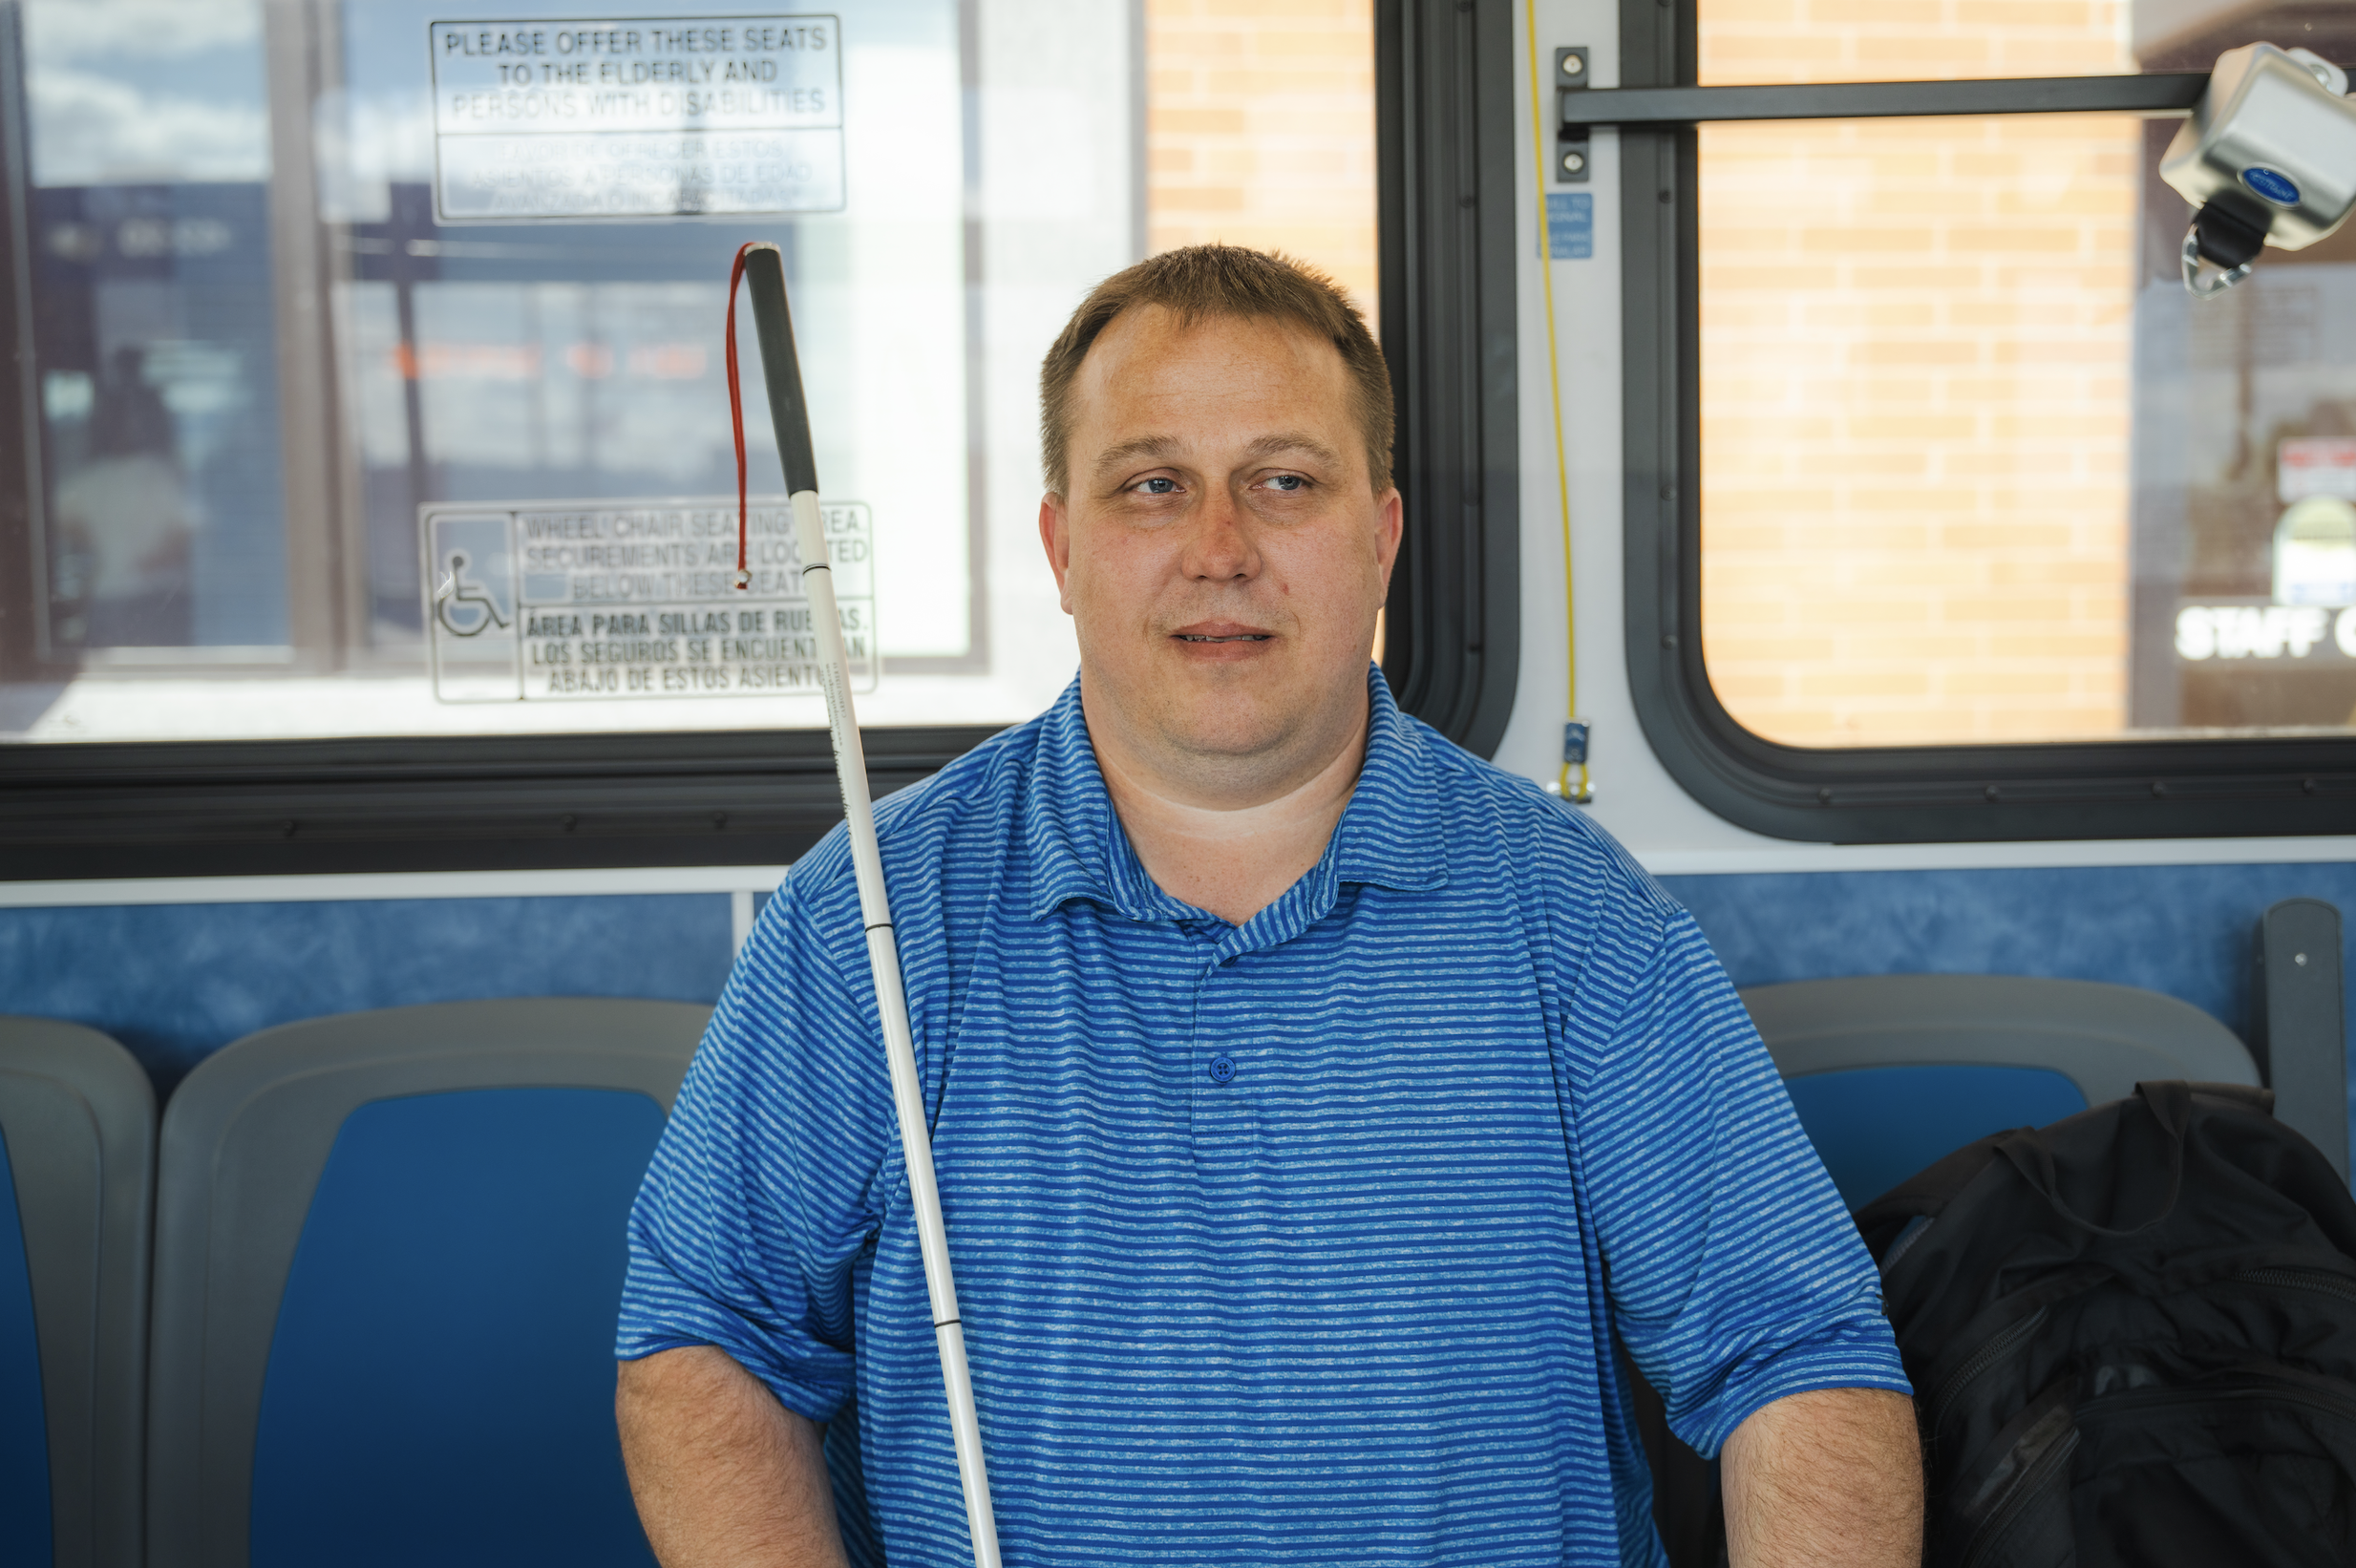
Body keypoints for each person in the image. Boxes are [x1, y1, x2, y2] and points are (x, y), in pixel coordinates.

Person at [615, 244, 1923, 1567]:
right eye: (1153, 486)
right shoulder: (870, 923)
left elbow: (1798, 1356)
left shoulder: (1577, 922)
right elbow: (703, 1347)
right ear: (1064, 546)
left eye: (1283, 482)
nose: (1221, 548)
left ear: (1380, 537)